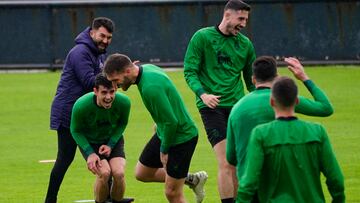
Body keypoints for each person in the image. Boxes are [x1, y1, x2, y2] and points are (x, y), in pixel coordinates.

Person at [226, 56, 335, 201]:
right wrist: (304, 77)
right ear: (277, 78)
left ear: (253, 79)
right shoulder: (284, 100)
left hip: (250, 185)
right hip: (283, 183)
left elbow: (231, 157)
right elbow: (326, 108)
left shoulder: (237, 108)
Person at [103, 53, 208, 203]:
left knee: (172, 192)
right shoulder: (147, 69)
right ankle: (192, 179)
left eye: (115, 80)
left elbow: (172, 122)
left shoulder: (150, 87)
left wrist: (164, 150)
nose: (115, 86)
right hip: (165, 131)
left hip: (181, 137)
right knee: (142, 173)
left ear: (127, 71)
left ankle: (181, 179)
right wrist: (159, 125)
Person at [183, 0, 255, 202]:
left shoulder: (246, 45)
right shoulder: (202, 37)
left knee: (240, 162)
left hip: (238, 109)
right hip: (211, 108)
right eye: (241, 18)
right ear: (227, 15)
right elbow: (190, 72)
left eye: (246, 20)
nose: (244, 24)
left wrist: (263, 100)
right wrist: (203, 94)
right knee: (225, 162)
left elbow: (252, 81)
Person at [45, 17, 114, 203]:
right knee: (65, 158)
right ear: (92, 33)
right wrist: (115, 75)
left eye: (109, 37)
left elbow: (101, 81)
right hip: (68, 113)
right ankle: (50, 199)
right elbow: (89, 82)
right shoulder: (80, 52)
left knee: (103, 154)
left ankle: (108, 197)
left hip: (87, 115)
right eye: (102, 36)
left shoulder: (98, 53)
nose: (105, 40)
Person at [70, 73, 133, 203]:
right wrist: (90, 153)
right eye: (104, 92)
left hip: (113, 141)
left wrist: (111, 144)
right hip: (91, 143)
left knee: (119, 173)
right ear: (95, 91)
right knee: (104, 173)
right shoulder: (81, 105)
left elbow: (122, 123)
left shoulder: (124, 102)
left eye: (112, 92)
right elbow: (75, 131)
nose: (108, 97)